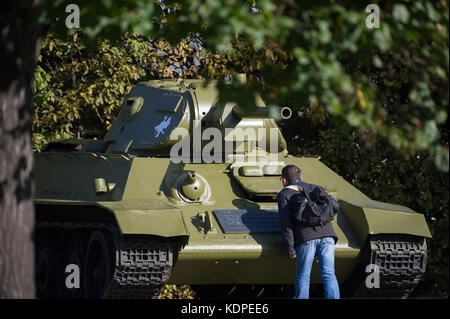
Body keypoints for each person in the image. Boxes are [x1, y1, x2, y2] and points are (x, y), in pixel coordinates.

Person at [277, 164, 340, 299]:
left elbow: (286, 224)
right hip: (328, 234)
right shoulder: (315, 188)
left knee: (303, 276)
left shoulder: (284, 194)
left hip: (306, 238)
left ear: (284, 181)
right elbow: (335, 205)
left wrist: (290, 248)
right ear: (301, 177)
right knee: (329, 273)